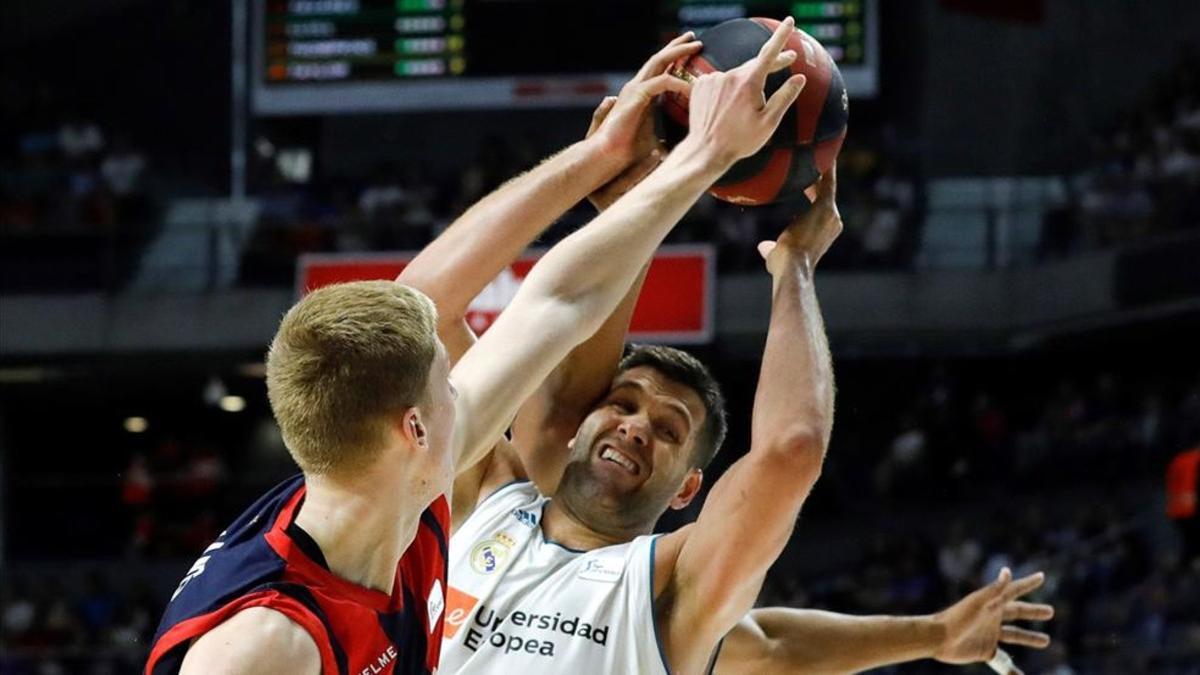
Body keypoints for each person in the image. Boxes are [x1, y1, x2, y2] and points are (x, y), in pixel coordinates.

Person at [144, 23, 805, 675]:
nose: (462, 378)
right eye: (445, 380)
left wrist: (611, 155)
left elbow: (558, 301)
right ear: (415, 426)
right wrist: (703, 157)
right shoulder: (265, 643)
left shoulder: (402, 487)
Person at [400, 55, 1052, 675]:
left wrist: (792, 269)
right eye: (623, 405)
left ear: (688, 488)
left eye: (668, 428)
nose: (634, 427)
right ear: (581, 426)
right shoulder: (481, 490)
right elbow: (421, 306)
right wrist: (603, 179)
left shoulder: (670, 587)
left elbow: (790, 452)